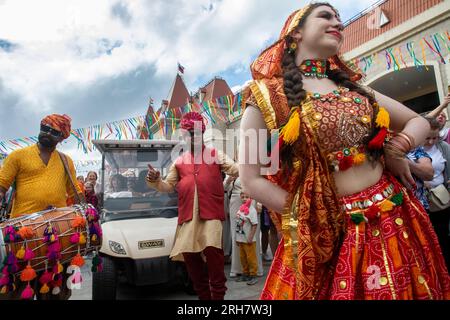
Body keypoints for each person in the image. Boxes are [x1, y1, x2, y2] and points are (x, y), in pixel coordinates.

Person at [239, 3, 450, 299]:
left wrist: (398, 148)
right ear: (295, 33)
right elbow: (251, 178)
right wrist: (311, 217)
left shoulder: (355, 89)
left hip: (393, 213)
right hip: (329, 234)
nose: (337, 22)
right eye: (325, 16)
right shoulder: (266, 96)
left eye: (339, 18)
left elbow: (417, 121)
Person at [146, 112, 238, 300]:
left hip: (211, 214)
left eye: (196, 132)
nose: (192, 136)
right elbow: (166, 186)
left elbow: (235, 169)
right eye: (189, 133)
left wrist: (252, 161)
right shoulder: (179, 162)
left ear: (202, 133)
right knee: (191, 260)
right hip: (188, 217)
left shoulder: (215, 154)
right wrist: (155, 180)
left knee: (214, 257)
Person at [0, 114, 81, 300]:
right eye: (44, 128)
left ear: (62, 137)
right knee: (16, 292)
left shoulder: (65, 161)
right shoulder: (17, 156)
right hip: (22, 234)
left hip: (57, 233)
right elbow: (2, 185)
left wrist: (86, 217)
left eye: (53, 131)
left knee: (56, 293)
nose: (47, 133)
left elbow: (75, 191)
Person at [423, 117, 450, 270]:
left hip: (442, 198)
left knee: (443, 235)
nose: (431, 142)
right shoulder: (411, 150)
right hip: (422, 201)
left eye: (435, 137)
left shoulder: (443, 147)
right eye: (427, 138)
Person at [228, 176, 264, 277]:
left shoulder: (254, 162)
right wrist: (229, 180)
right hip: (235, 200)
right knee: (236, 234)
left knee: (253, 235)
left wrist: (260, 203)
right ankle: (237, 268)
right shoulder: (232, 165)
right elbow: (225, 188)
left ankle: (255, 269)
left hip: (252, 199)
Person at [235, 192, 259, 285]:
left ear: (251, 198)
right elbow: (238, 224)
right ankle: (245, 274)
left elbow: (254, 224)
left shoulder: (252, 210)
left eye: (247, 197)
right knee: (243, 257)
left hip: (249, 240)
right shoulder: (240, 209)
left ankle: (253, 275)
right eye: (243, 197)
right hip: (241, 239)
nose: (245, 199)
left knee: (251, 258)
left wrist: (250, 236)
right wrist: (237, 238)